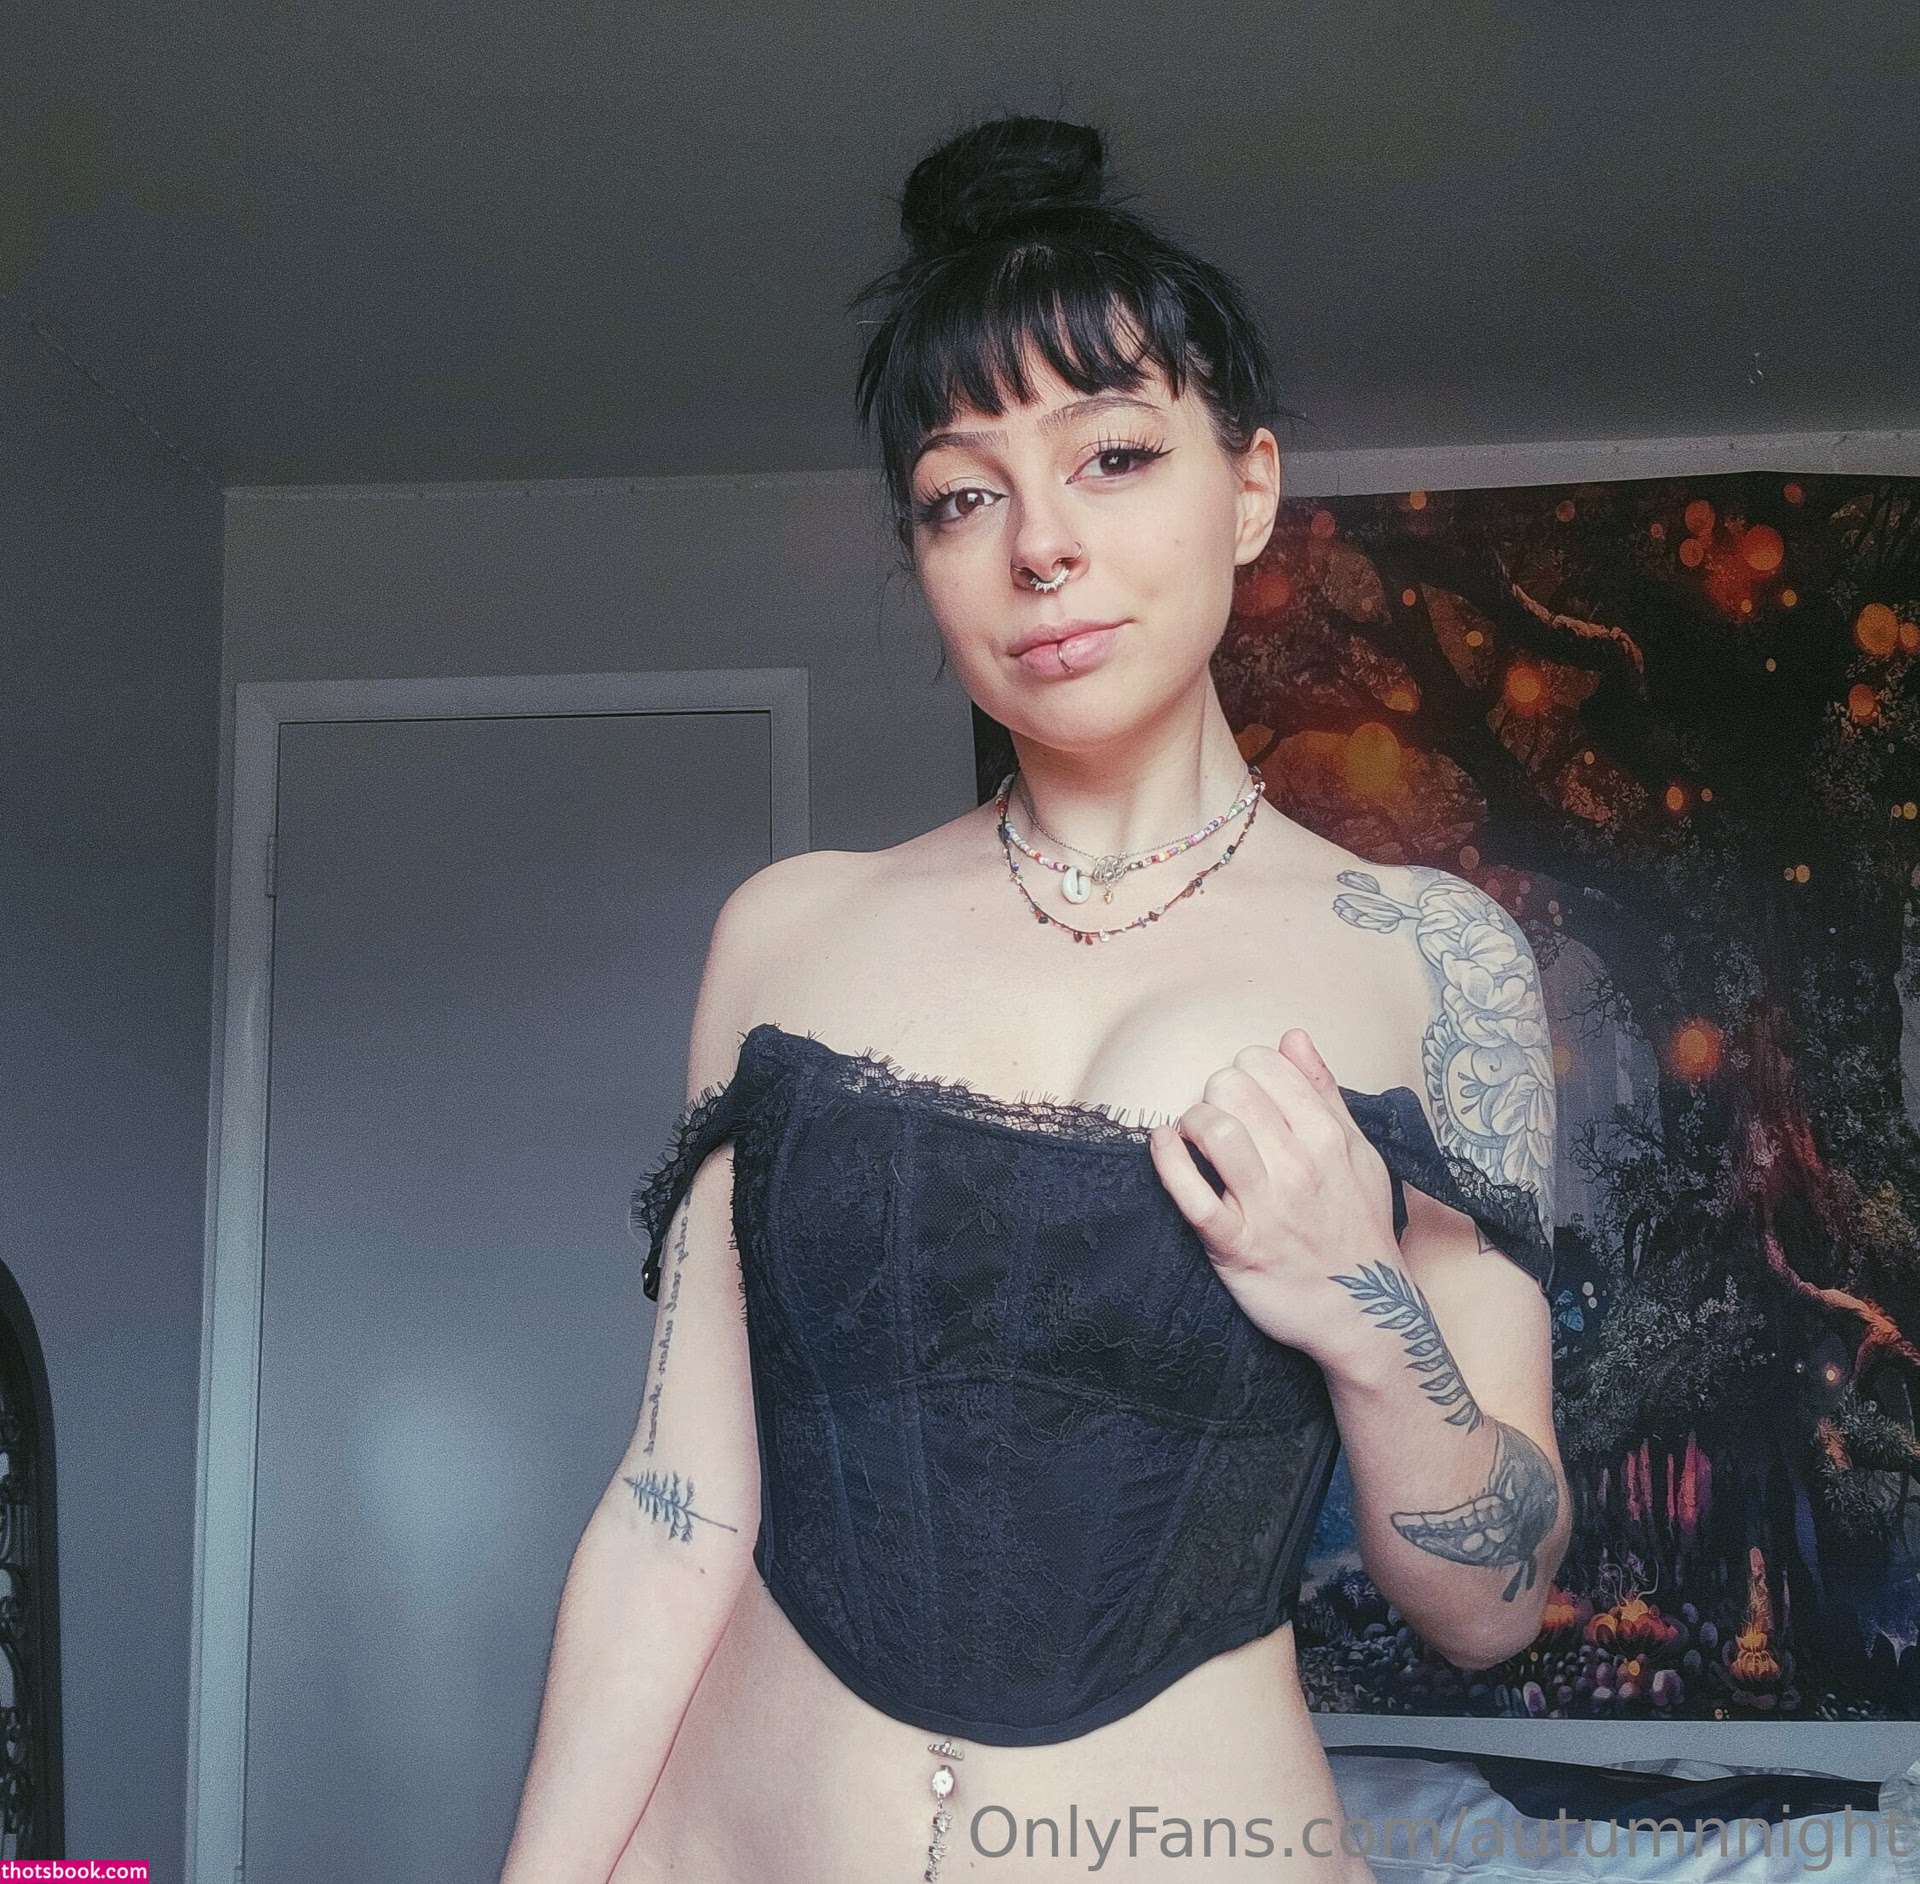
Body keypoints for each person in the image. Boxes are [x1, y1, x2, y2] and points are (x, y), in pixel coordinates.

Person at [500, 110, 1566, 1884]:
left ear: (1251, 486)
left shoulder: (1430, 959)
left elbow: (1492, 1608)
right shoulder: (788, 934)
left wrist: (1364, 1308)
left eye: (1115, 457)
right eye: (963, 494)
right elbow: (674, 1510)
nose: (1040, 547)